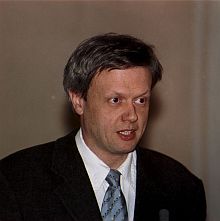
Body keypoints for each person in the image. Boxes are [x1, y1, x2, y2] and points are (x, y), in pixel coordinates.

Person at [0, 33, 206, 221]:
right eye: (116, 100)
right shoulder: (16, 182)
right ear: (78, 100)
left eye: (141, 100)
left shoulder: (181, 186)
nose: (132, 116)